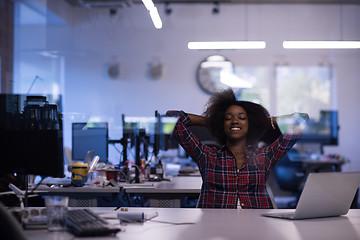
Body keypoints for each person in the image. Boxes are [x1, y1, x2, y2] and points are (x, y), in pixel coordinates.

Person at [166, 89, 309, 209]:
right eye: (228, 118)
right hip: (213, 228)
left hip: (258, 228)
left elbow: (302, 119)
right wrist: (212, 121)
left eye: (242, 118)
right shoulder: (207, 156)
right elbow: (173, 118)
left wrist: (261, 121)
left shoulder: (264, 156)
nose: (235, 121)